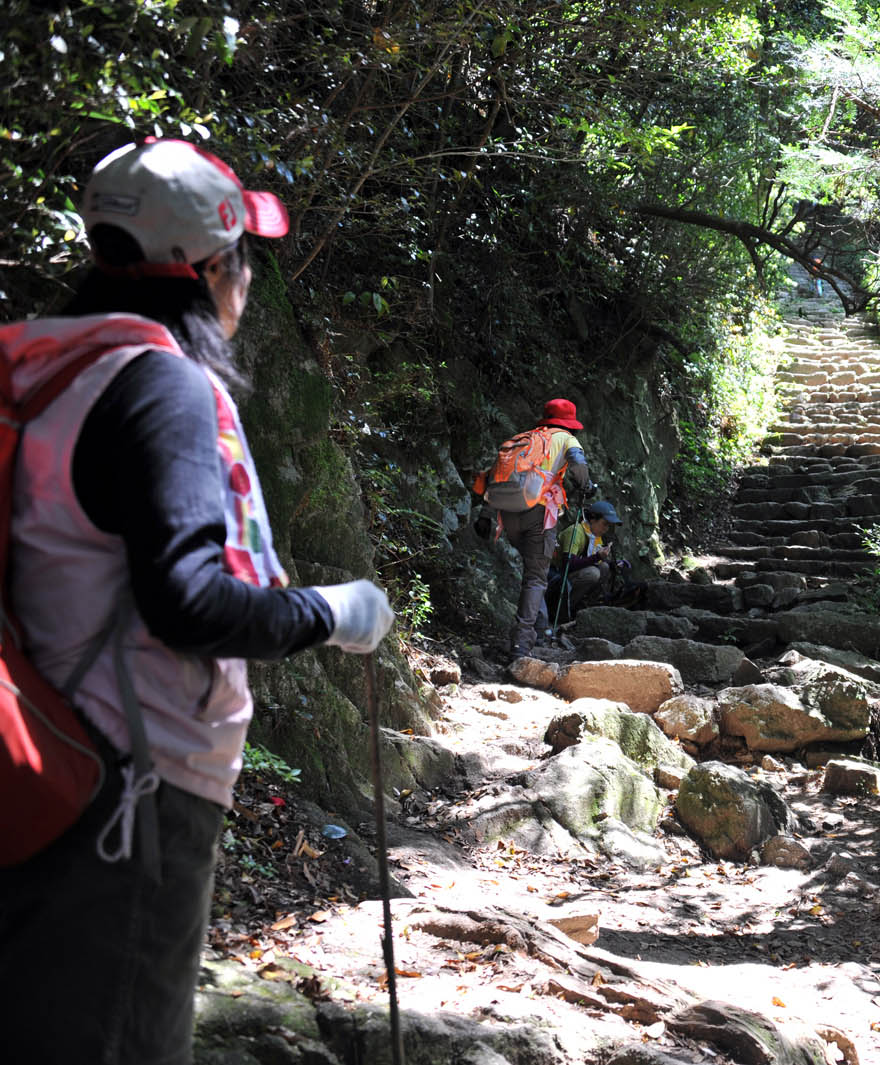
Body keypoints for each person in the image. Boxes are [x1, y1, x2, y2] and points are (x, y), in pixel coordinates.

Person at [0, 138, 394, 1063]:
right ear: (216, 266)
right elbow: (187, 600)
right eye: (244, 257)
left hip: (23, 755)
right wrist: (335, 612)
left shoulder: (31, 361)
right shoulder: (159, 383)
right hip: (120, 789)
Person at [473, 398, 593, 654]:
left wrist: (486, 513)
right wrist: (586, 486)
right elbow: (579, 469)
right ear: (569, 424)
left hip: (509, 515)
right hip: (539, 513)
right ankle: (521, 643)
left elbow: (496, 476)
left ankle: (539, 630)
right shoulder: (566, 439)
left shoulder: (522, 439)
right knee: (536, 578)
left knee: (532, 575)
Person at [551, 499, 622, 620]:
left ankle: (583, 606)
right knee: (592, 573)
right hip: (556, 577)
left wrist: (613, 564)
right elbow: (568, 564)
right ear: (593, 520)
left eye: (608, 526)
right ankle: (562, 610)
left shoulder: (594, 536)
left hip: (570, 575)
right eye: (604, 524)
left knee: (604, 568)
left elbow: (589, 560)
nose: (606, 529)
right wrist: (597, 557)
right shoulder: (576, 531)